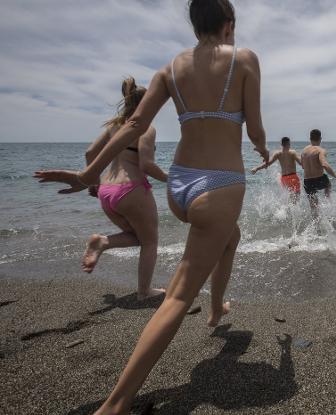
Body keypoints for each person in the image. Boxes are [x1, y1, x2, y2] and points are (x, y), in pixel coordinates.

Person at [34, 1, 269, 413]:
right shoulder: (244, 59)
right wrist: (265, 149)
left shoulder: (169, 69)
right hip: (220, 184)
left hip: (178, 185)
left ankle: (216, 310)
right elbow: (254, 127)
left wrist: (90, 175)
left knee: (229, 237)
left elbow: (134, 125)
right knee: (177, 298)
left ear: (195, 26)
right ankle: (116, 404)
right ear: (229, 24)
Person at [82, 77, 168, 300]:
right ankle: (144, 292)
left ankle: (102, 242)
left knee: (138, 236)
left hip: (107, 191)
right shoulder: (145, 128)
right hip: (131, 189)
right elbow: (146, 164)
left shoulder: (114, 126)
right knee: (150, 241)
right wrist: (171, 179)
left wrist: (94, 182)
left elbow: (90, 154)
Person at [300, 129, 336, 216]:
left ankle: (315, 226)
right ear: (320, 138)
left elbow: (303, 166)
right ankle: (328, 205)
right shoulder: (320, 150)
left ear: (310, 138)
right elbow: (324, 164)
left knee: (314, 207)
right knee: (328, 184)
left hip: (307, 181)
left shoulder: (304, 151)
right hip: (319, 179)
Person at [251, 136, 302, 202]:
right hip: (293, 178)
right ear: (289, 144)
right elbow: (301, 163)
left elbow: (268, 163)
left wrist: (256, 168)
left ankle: (286, 211)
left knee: (289, 197)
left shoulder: (278, 153)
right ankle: (292, 211)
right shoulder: (293, 152)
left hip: (284, 179)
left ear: (281, 144)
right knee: (296, 199)